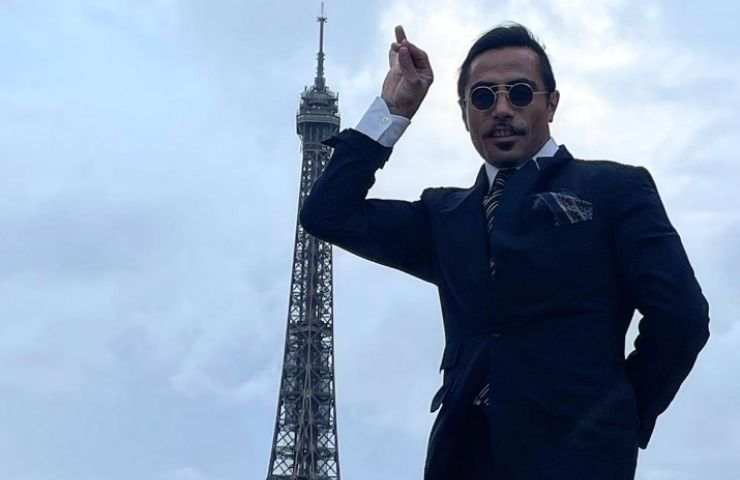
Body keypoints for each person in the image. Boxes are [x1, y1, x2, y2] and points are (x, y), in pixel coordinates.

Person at [299, 22, 710, 479]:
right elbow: (327, 214)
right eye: (481, 97)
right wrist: (394, 110)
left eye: (519, 93)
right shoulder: (445, 215)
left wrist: (617, 414)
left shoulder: (614, 189)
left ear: (551, 103)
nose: (500, 109)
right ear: (464, 114)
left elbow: (682, 317)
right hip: (462, 461)